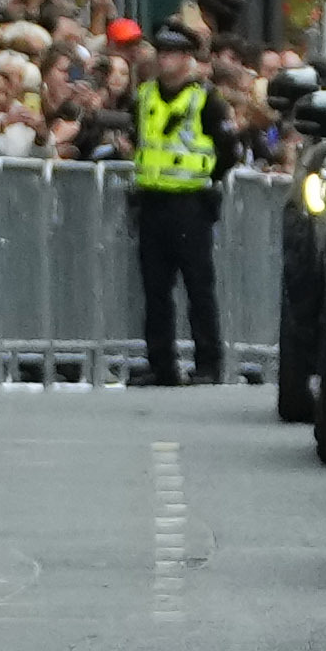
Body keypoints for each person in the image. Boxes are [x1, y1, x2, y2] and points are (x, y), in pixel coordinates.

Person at [120, 32, 236, 387]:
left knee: (198, 285)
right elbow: (138, 140)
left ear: (188, 58)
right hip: (152, 201)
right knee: (155, 288)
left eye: (174, 53)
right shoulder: (145, 96)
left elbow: (228, 150)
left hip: (190, 204)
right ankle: (161, 363)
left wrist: (205, 180)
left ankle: (208, 363)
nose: (166, 59)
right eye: (162, 52)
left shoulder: (206, 100)